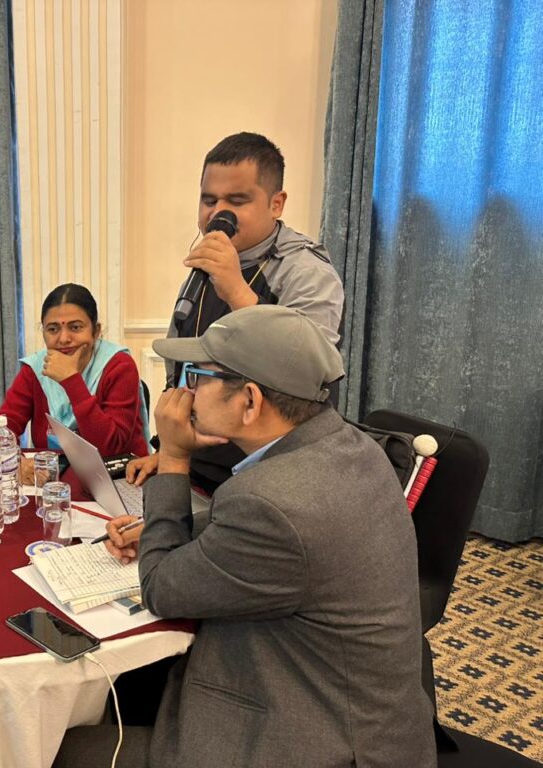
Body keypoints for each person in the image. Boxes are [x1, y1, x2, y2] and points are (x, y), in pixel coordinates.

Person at [55, 305, 435, 767]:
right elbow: (285, 542)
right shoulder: (353, 447)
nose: (184, 391)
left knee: (59, 751)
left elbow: (160, 587)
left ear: (250, 401)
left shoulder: (268, 502)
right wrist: (162, 527)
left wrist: (173, 456)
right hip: (365, 711)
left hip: (315, 738)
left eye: (196, 375)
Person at [126, 132, 344, 495]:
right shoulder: (205, 268)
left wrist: (237, 291)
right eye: (209, 199)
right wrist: (168, 452)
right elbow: (183, 366)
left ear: (276, 204)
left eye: (237, 200)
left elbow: (313, 370)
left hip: (273, 479)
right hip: (200, 465)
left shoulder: (307, 272)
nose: (217, 213)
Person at [0, 283, 149, 485]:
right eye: (53, 329)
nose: (64, 339)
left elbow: (111, 448)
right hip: (56, 483)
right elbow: (4, 424)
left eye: (75, 327)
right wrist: (15, 461)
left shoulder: (119, 365)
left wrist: (71, 381)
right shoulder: (36, 369)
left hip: (119, 479)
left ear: (96, 331)